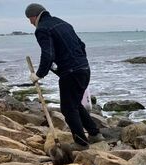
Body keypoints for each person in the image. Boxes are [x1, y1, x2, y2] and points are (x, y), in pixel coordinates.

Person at [25, 3, 104, 151]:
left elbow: (48, 54)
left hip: (71, 72)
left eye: (30, 19)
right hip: (84, 69)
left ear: (35, 16)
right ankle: (95, 134)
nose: (30, 23)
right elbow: (82, 45)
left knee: (68, 108)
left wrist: (39, 74)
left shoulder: (42, 29)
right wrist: (79, 62)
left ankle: (81, 143)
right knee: (75, 104)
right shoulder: (64, 23)